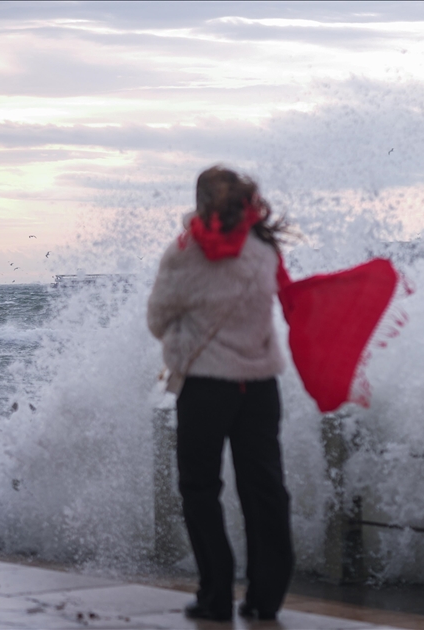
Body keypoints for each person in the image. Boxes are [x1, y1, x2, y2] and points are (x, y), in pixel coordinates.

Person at [147, 166, 293, 622]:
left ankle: (216, 591)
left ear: (201, 199)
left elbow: (157, 319)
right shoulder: (265, 248)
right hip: (261, 387)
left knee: (200, 488)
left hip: (207, 387)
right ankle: (265, 596)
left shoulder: (184, 253)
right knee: (264, 489)